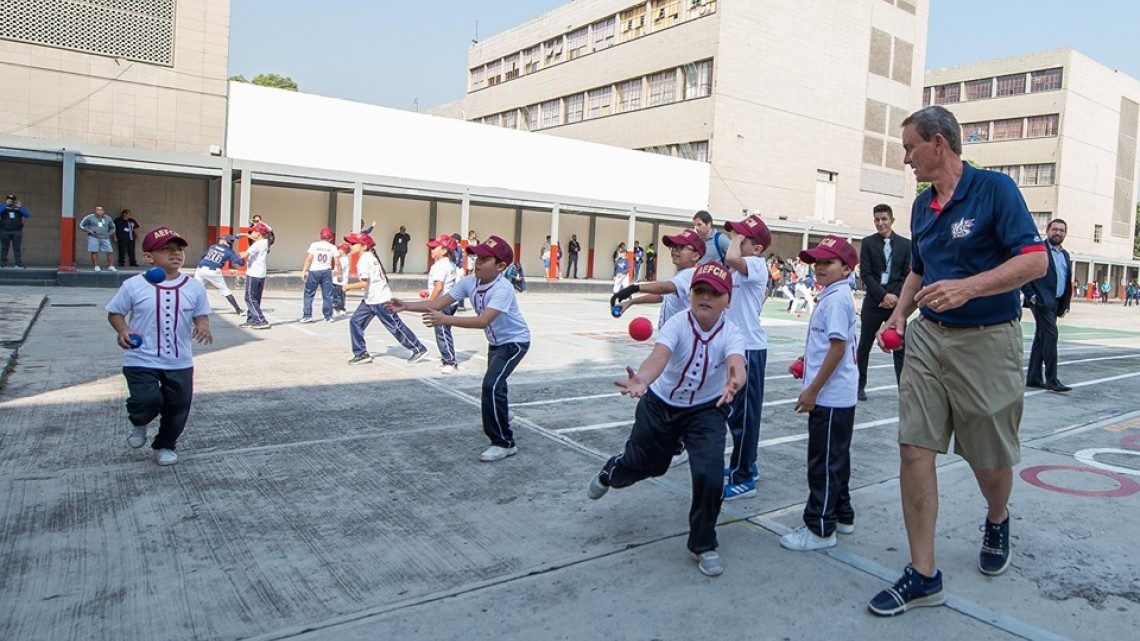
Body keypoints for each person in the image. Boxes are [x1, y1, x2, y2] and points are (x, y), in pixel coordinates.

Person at [867, 106, 1047, 617]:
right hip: (928, 337)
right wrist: (898, 316)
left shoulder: (995, 190)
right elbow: (918, 271)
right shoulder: (921, 207)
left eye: (910, 148)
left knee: (988, 458)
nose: (906, 159)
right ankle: (924, 574)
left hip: (987, 340)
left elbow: (1034, 260)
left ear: (939, 143)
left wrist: (968, 288)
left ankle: (997, 515)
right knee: (913, 447)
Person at [587, 262, 746, 577]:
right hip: (660, 405)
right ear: (690, 294)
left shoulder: (732, 332)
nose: (705, 297)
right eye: (699, 290)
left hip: (706, 410)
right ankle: (611, 473)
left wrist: (734, 381)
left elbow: (736, 363)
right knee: (648, 465)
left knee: (710, 475)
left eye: (715, 293)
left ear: (727, 300)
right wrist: (642, 380)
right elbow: (658, 357)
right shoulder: (677, 324)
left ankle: (703, 543)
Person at [388, 235, 531, 462]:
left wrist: (446, 320)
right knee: (496, 386)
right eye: (477, 258)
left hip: (514, 343)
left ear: (501, 266)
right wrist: (406, 306)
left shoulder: (503, 289)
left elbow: (483, 321)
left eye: (484, 259)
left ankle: (504, 442)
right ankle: (500, 412)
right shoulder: (469, 282)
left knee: (491, 386)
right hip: (496, 343)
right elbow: (437, 303)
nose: (477, 263)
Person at [106, 227, 212, 467]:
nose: (176, 253)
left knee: (178, 408)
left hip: (179, 360)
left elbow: (201, 314)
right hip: (140, 358)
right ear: (148, 257)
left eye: (179, 249)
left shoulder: (194, 286)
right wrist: (123, 329)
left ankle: (165, 445)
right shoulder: (134, 285)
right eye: (167, 249)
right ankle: (139, 421)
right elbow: (115, 312)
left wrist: (203, 325)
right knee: (146, 401)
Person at [779, 235, 859, 551]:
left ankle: (821, 527)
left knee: (823, 463)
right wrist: (807, 360)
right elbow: (830, 344)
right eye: (817, 262)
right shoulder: (834, 295)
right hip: (836, 393)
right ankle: (842, 513)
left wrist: (813, 389)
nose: (820, 267)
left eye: (828, 262)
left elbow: (838, 348)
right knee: (836, 458)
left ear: (846, 268)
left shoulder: (836, 300)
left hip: (831, 396)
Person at [611, 228, 706, 468]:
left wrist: (634, 287)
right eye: (673, 246)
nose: (674, 250)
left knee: (668, 396)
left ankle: (678, 446)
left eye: (681, 247)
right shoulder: (680, 277)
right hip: (671, 344)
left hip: (681, 347)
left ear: (696, 255)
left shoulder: (689, 275)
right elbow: (663, 296)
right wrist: (632, 302)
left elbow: (664, 289)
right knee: (667, 395)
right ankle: (674, 442)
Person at [722, 214, 773, 501]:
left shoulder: (756, 264)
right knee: (735, 414)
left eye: (742, 238)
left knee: (745, 417)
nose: (736, 240)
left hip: (750, 349)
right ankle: (746, 464)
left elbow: (731, 257)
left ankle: (743, 478)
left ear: (757, 248)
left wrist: (734, 239)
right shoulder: (738, 272)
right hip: (736, 348)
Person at [343, 231, 429, 365]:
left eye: (354, 244)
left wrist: (347, 286)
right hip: (370, 300)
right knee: (355, 322)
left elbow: (364, 283)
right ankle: (361, 354)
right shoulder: (369, 257)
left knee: (395, 327)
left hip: (381, 300)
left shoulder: (365, 260)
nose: (351, 246)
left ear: (363, 246)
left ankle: (419, 349)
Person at [857, 204, 911, 401]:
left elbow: (908, 275)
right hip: (874, 302)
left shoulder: (906, 245)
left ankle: (903, 389)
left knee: (899, 346)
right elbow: (866, 274)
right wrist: (882, 296)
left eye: (884, 219)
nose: (880, 223)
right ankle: (859, 385)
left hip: (896, 303)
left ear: (892, 220)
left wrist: (894, 297)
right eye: (877, 220)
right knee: (864, 345)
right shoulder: (868, 243)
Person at [1022, 219, 1073, 393]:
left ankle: (1034, 378)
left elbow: (1066, 280)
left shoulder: (1065, 255)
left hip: (1056, 302)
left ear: (1065, 234)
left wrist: (1065, 304)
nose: (1058, 233)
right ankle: (1052, 379)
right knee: (1051, 337)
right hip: (1041, 302)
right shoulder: (1039, 251)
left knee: (1041, 338)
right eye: (1055, 229)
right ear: (1048, 231)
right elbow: (1025, 274)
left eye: (1061, 230)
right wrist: (1032, 297)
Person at [425, 234, 460, 374]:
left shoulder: (439, 266)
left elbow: (439, 287)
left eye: (435, 248)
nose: (432, 250)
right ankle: (446, 359)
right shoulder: (451, 264)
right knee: (445, 331)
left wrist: (429, 303)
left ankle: (450, 361)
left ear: (444, 250)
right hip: (450, 302)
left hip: (442, 303)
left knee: (442, 332)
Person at [194, 234, 244, 315]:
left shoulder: (213, 246)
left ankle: (189, 307)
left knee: (195, 289)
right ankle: (238, 310)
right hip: (214, 271)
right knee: (225, 291)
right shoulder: (230, 252)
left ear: (224, 241)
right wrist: (241, 257)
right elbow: (241, 263)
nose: (220, 240)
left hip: (201, 269)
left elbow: (203, 256)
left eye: (221, 239)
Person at [299, 227, 341, 323]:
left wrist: (304, 271)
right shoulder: (333, 247)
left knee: (309, 293)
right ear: (331, 238)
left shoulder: (314, 245)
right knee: (327, 295)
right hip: (326, 271)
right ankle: (328, 316)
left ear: (320, 236)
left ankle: (307, 315)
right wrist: (339, 273)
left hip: (314, 271)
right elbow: (337, 262)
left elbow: (309, 258)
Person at [238, 223, 272, 330]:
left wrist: (239, 253)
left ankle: (261, 320)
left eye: (253, 231)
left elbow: (244, 255)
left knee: (249, 298)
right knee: (256, 298)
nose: (251, 233)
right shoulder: (266, 242)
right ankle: (251, 320)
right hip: (261, 273)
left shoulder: (257, 244)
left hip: (253, 273)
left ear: (259, 233)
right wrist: (245, 235)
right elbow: (264, 233)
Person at [79, 206, 116, 272]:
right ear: (95, 211)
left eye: (101, 210)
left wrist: (109, 233)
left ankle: (111, 266)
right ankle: (96, 266)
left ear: (103, 211)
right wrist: (89, 230)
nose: (99, 211)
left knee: (110, 251)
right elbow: (81, 225)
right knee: (94, 251)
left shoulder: (108, 218)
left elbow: (113, 227)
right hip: (93, 237)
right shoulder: (90, 217)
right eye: (98, 210)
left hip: (105, 237)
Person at [1, 194, 30, 269]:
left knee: (17, 248)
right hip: (4, 230)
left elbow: (27, 215)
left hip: (16, 231)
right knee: (4, 247)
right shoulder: (3, 207)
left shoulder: (18, 208)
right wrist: (6, 205)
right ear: (6, 200)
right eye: (9, 200)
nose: (11, 201)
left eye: (12, 200)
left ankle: (18, 263)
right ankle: (3, 264)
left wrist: (19, 207)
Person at [332, 243, 351, 317]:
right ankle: (337, 308)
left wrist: (330, 272)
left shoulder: (343, 260)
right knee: (337, 295)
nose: (338, 250)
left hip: (340, 281)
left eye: (339, 249)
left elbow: (340, 269)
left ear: (343, 251)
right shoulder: (343, 259)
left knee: (339, 296)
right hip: (338, 280)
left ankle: (341, 309)